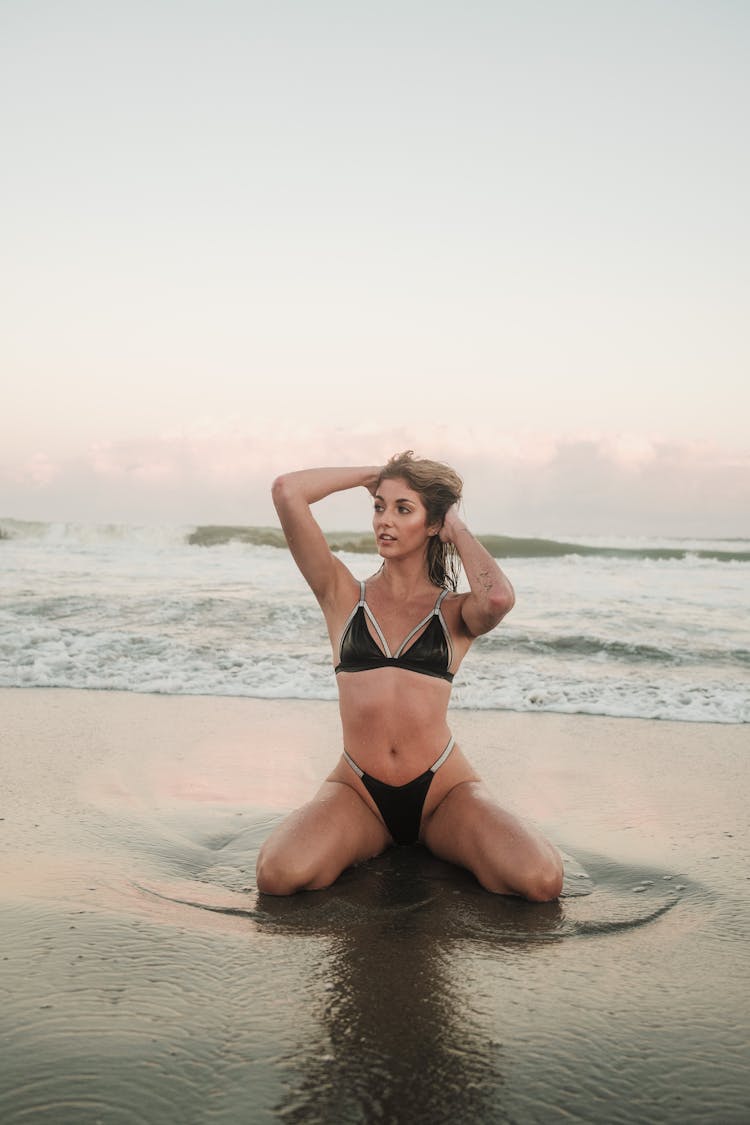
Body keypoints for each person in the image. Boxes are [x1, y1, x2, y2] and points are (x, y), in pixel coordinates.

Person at [256, 451, 563, 901]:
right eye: (379, 506)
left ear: (433, 523)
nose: (385, 520)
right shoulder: (341, 594)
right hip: (360, 792)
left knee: (540, 881)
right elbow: (287, 490)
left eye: (404, 509)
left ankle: (441, 839)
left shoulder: (455, 612)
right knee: (277, 875)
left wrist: (454, 524)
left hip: (443, 792)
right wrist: (371, 476)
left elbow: (497, 598)